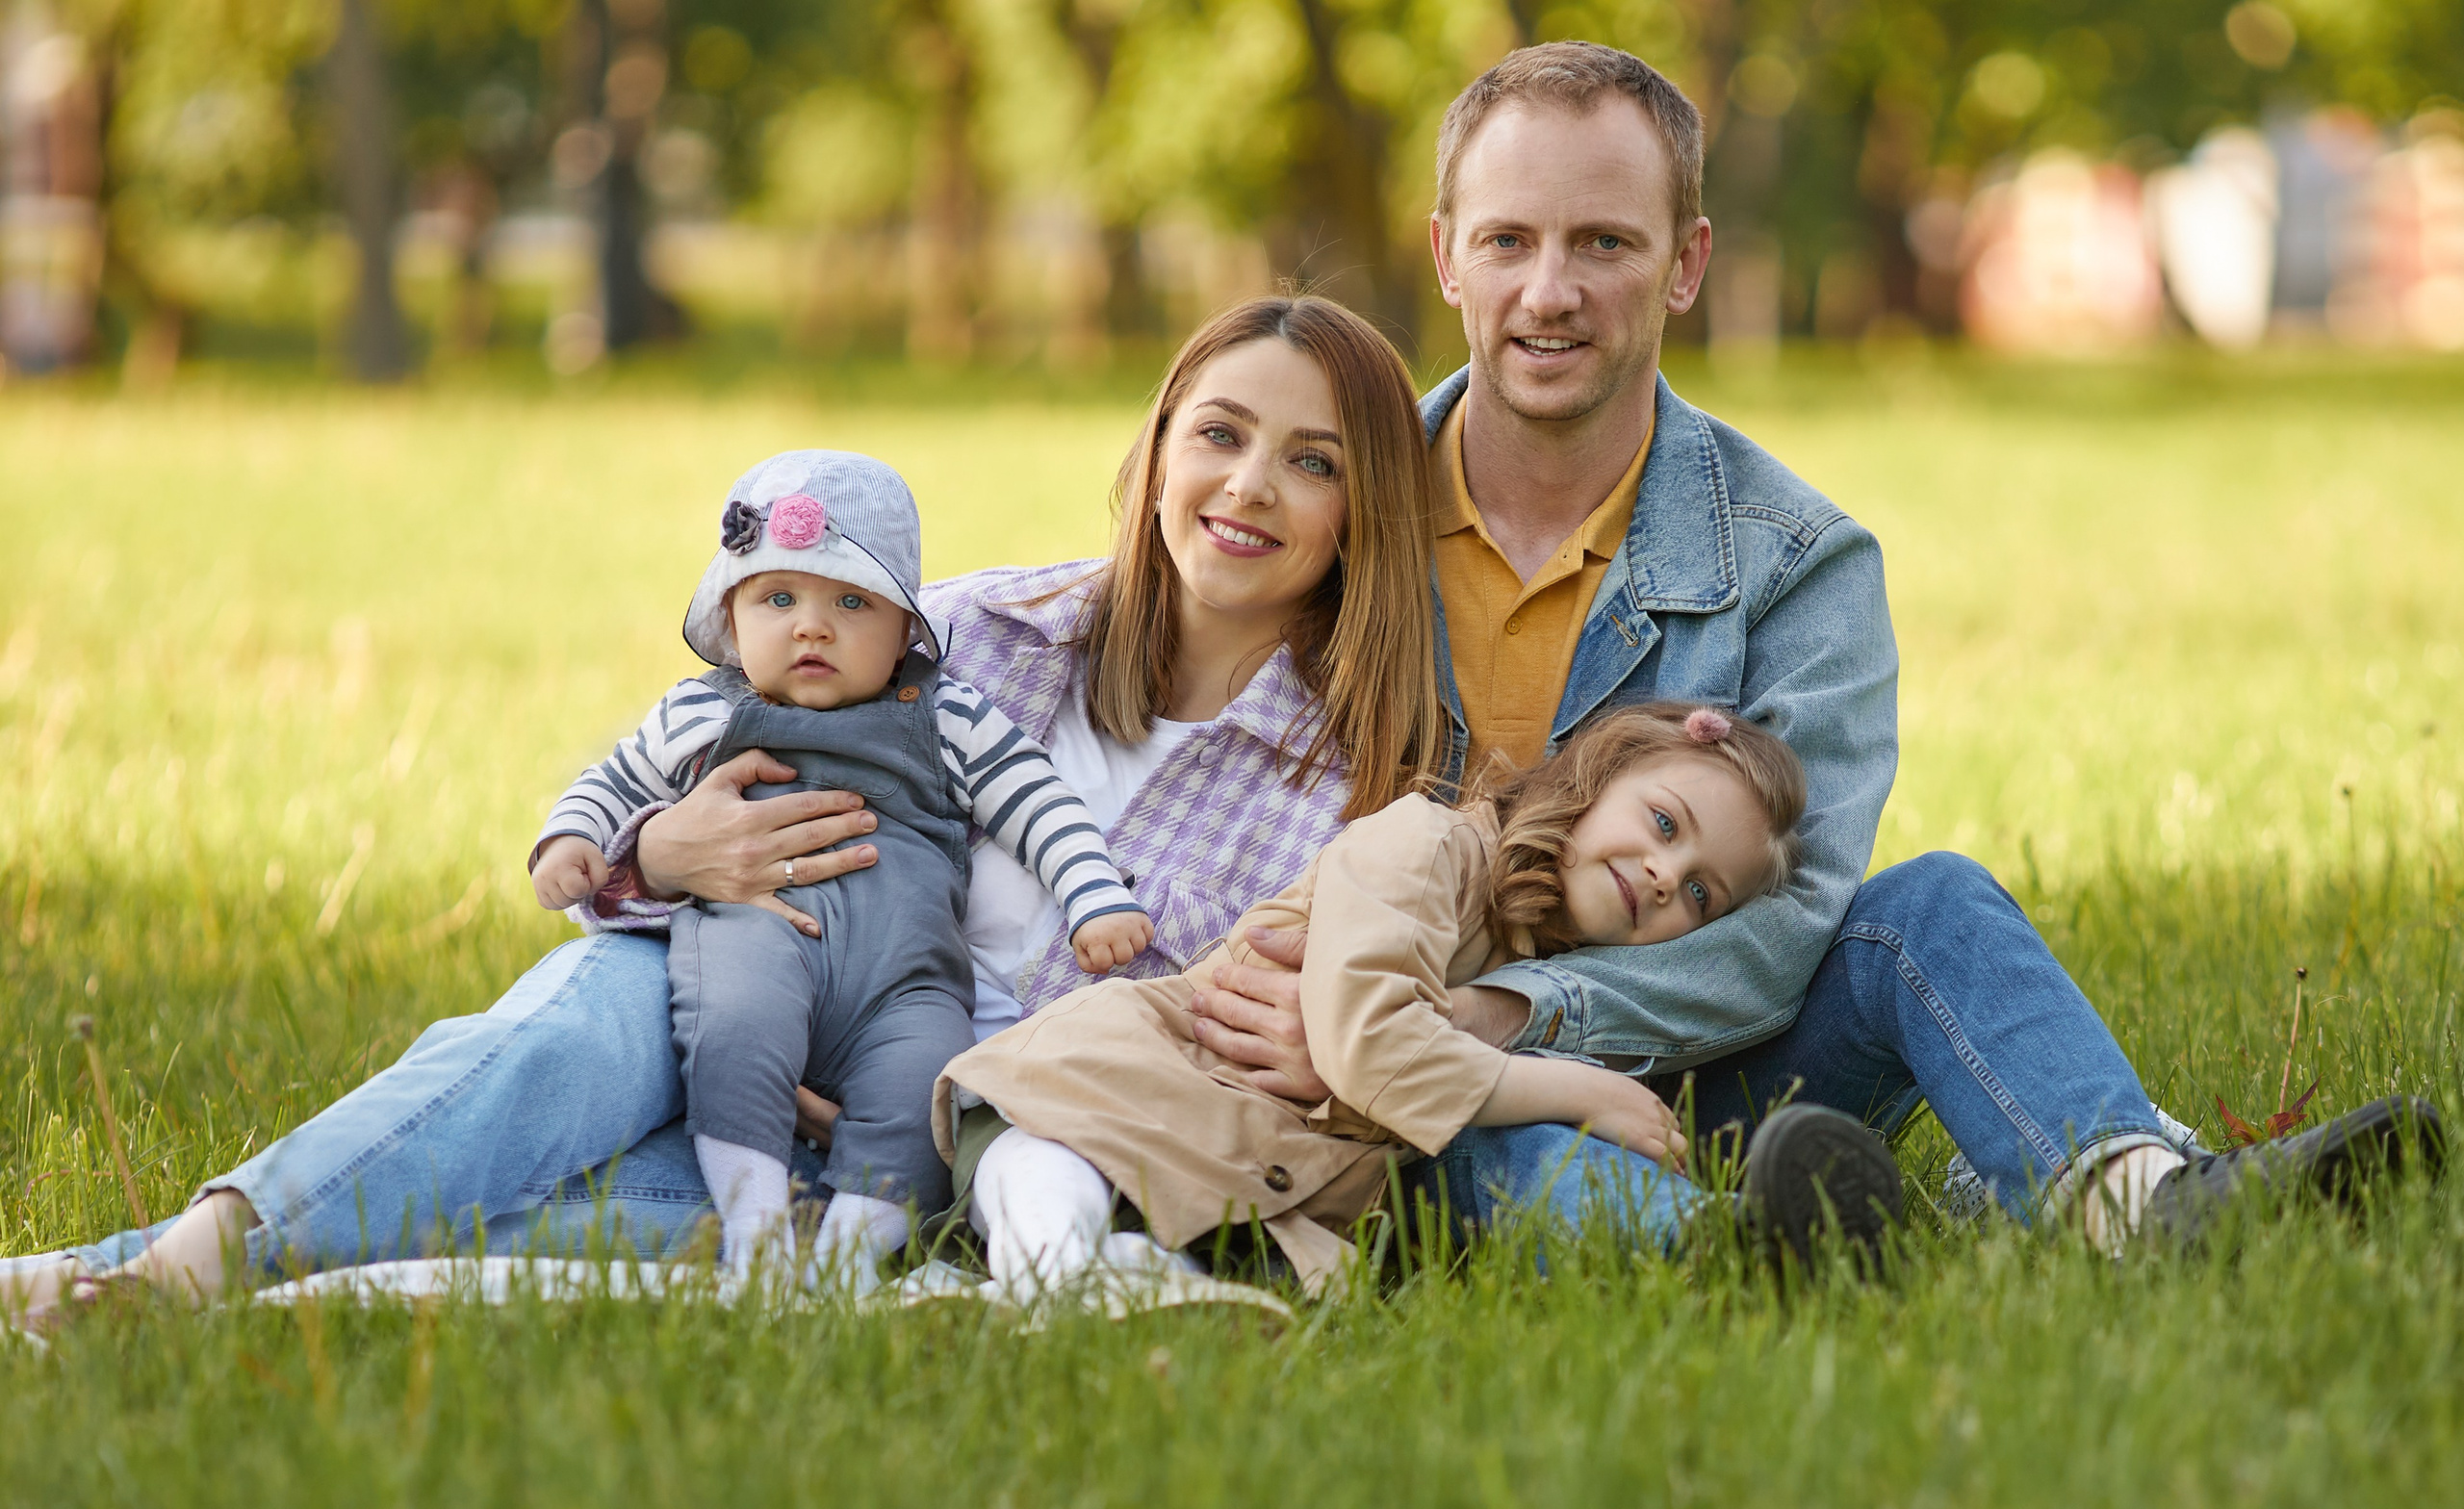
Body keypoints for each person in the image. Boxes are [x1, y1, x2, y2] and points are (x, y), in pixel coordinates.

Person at [1179, 41, 2443, 1251]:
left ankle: (2133, 1199)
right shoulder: (1326, 508)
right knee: (1464, 1139)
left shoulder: (1798, 565)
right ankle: (1753, 1247)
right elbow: (1158, 718)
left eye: (1605, 244)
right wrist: (1355, 1024)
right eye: (1509, 240)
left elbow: (1784, 934)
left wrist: (1491, 1021)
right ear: (1448, 255)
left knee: (1927, 909)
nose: (1548, 291)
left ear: (1686, 263)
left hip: (1685, 1069)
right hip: (1360, 1083)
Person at [4, 294, 1445, 1321]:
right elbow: (692, 740)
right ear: (1161, 452)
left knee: (531, 1207)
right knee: (567, 1029)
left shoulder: (1344, 798)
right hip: (708, 992)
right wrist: (655, 854)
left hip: (903, 1136)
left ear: (1361, 506)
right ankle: (184, 1265)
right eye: (1221, 434)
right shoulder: (976, 631)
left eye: (1311, 460)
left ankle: (128, 1276)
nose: (1248, 487)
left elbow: (1181, 1064)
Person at [945, 703, 1899, 1305]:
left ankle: (1722, 1245)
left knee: (1456, 1185)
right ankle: (1052, 1282)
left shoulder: (1545, 965)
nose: (1662, 874)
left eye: (1700, 894)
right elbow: (1368, 1043)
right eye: (1662, 824)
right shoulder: (1421, 844)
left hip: (1248, 1191)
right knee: (1048, 1191)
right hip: (1097, 1099)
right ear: (1595, 776)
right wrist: (1571, 1090)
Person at [528, 448, 1149, 1274]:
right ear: (732, 619)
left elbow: (1040, 803)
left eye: (851, 602)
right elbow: (613, 779)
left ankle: (851, 1257)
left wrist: (1096, 898)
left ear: (903, 635)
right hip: (757, 945)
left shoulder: (945, 713)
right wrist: (574, 839)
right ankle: (756, 1231)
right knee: (736, 1031)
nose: (810, 626)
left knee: (924, 1082)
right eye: (777, 598)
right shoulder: (704, 713)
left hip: (906, 980)